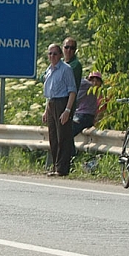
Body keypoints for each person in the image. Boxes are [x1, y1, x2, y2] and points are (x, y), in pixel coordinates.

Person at [42, 43, 77, 176]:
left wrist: (67, 110)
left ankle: (62, 169)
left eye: (55, 53)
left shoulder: (66, 69)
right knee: (53, 137)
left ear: (60, 55)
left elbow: (72, 91)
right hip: (51, 103)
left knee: (63, 136)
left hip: (62, 102)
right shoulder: (49, 70)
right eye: (50, 54)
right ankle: (55, 166)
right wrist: (46, 110)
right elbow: (49, 93)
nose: (52, 56)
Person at [72, 71, 104, 138]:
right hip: (78, 114)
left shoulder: (101, 96)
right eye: (92, 80)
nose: (94, 83)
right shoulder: (86, 87)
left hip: (86, 116)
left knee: (68, 133)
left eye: (97, 81)